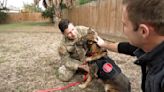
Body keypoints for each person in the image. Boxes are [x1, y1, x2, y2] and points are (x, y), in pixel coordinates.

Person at [97, 0, 164, 92]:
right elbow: (125, 47)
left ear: (143, 31)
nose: (123, 29)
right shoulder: (151, 45)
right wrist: (103, 44)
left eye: (124, 24)